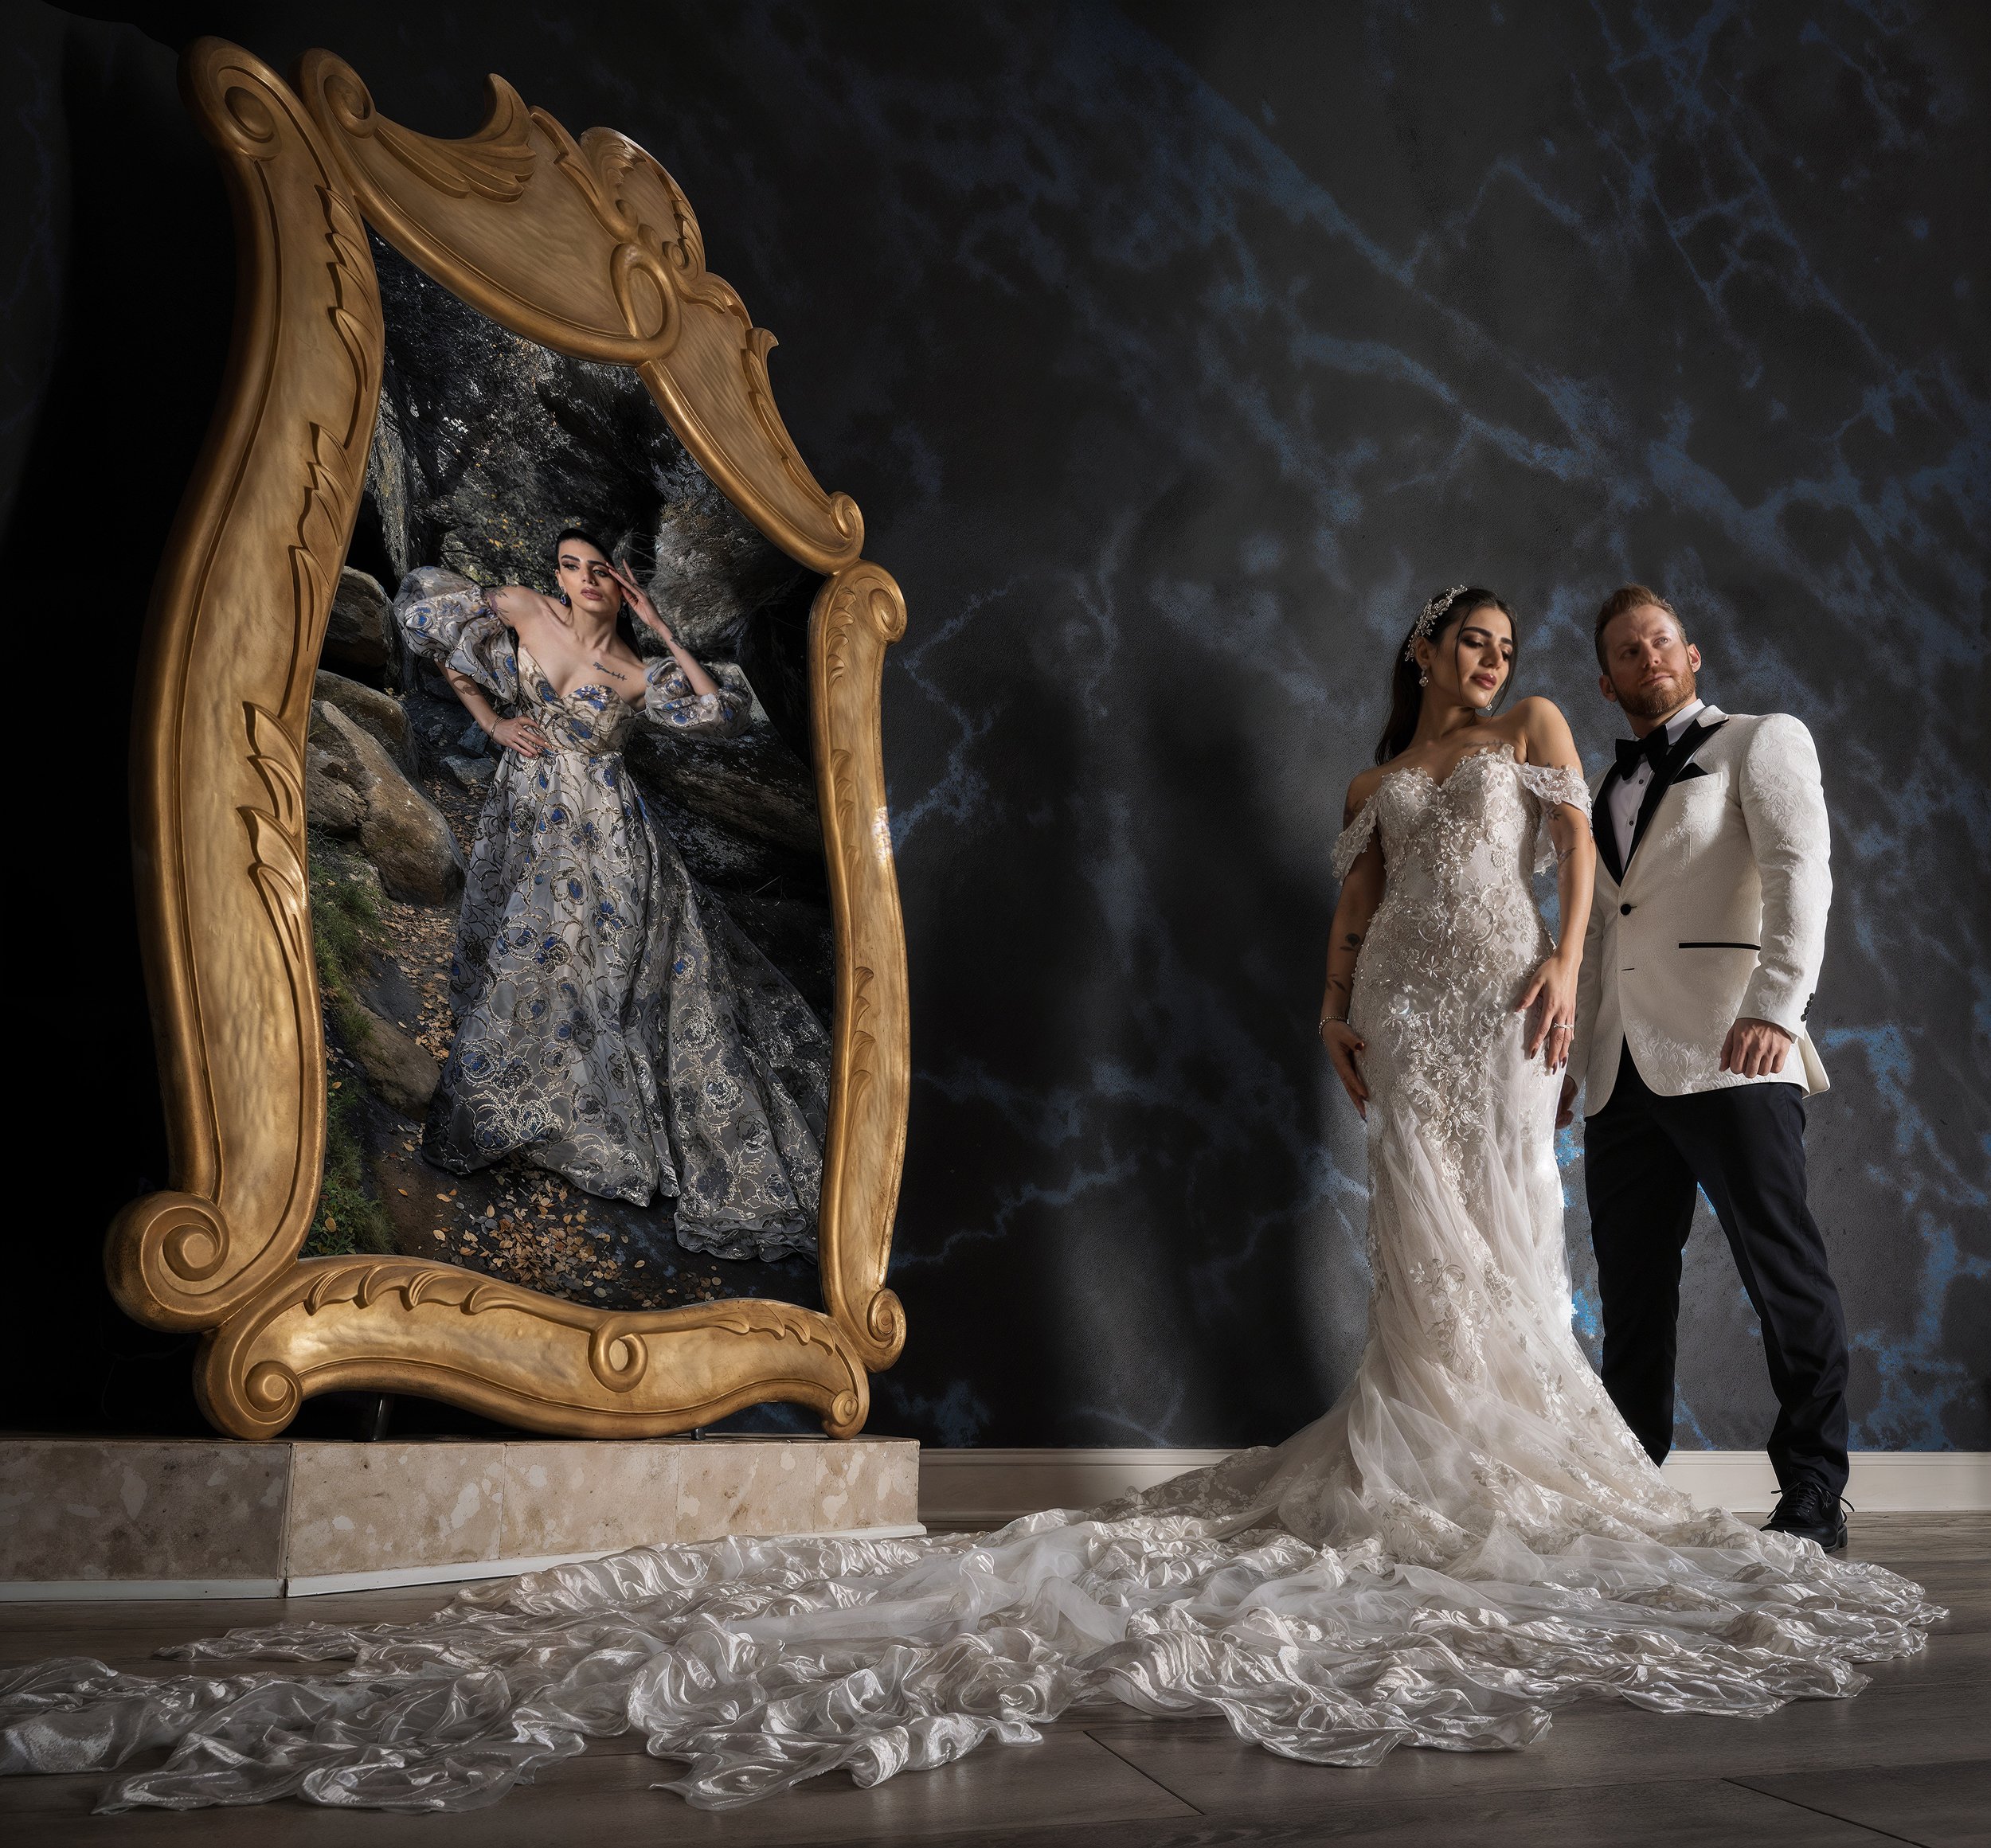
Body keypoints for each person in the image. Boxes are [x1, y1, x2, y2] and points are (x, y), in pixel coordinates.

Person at [0, 588, 1934, 1816]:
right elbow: (1348, 900)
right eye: (1488, 647)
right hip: (1406, 1014)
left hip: (1532, 1005)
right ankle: (1455, 1422)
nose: (1514, 671)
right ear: (1431, 648)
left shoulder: (1549, 758)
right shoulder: (1388, 761)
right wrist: (1329, 1006)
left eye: (1550, 654)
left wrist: (1564, 973)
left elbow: (1587, 882)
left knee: (1550, 1236)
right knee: (1433, 1235)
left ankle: (1616, 1454)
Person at [394, 527, 831, 1263]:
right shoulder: (527, 609)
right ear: (557, 577)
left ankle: (575, 1117)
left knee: (585, 968)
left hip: (606, 835)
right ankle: (527, 1102)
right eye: (570, 566)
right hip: (526, 812)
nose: (584, 579)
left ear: (619, 585)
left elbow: (719, 713)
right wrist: (492, 721)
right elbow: (427, 618)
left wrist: (661, 629)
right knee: (524, 948)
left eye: (598, 570)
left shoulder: (632, 668)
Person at [1559, 584, 1850, 1548]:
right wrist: (1576, 1059)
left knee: (1783, 1275)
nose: (1648, 659)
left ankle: (1812, 1486)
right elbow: (1606, 931)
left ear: (1693, 656)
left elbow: (1800, 871)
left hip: (1734, 1046)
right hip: (1621, 1070)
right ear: (1608, 681)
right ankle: (1630, 1479)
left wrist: (1775, 1007)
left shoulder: (1761, 740)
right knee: (1633, 1296)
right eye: (1627, 652)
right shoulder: (1603, 791)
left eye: (1661, 642)